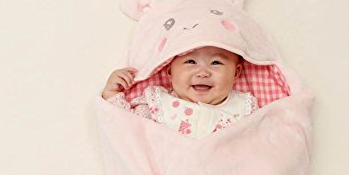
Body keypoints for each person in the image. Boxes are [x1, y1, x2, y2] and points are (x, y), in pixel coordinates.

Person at [100, 46, 259, 139]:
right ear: (170, 71)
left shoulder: (246, 109)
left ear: (236, 72)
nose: (203, 73)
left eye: (216, 62)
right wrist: (112, 94)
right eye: (191, 61)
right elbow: (127, 130)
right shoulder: (158, 106)